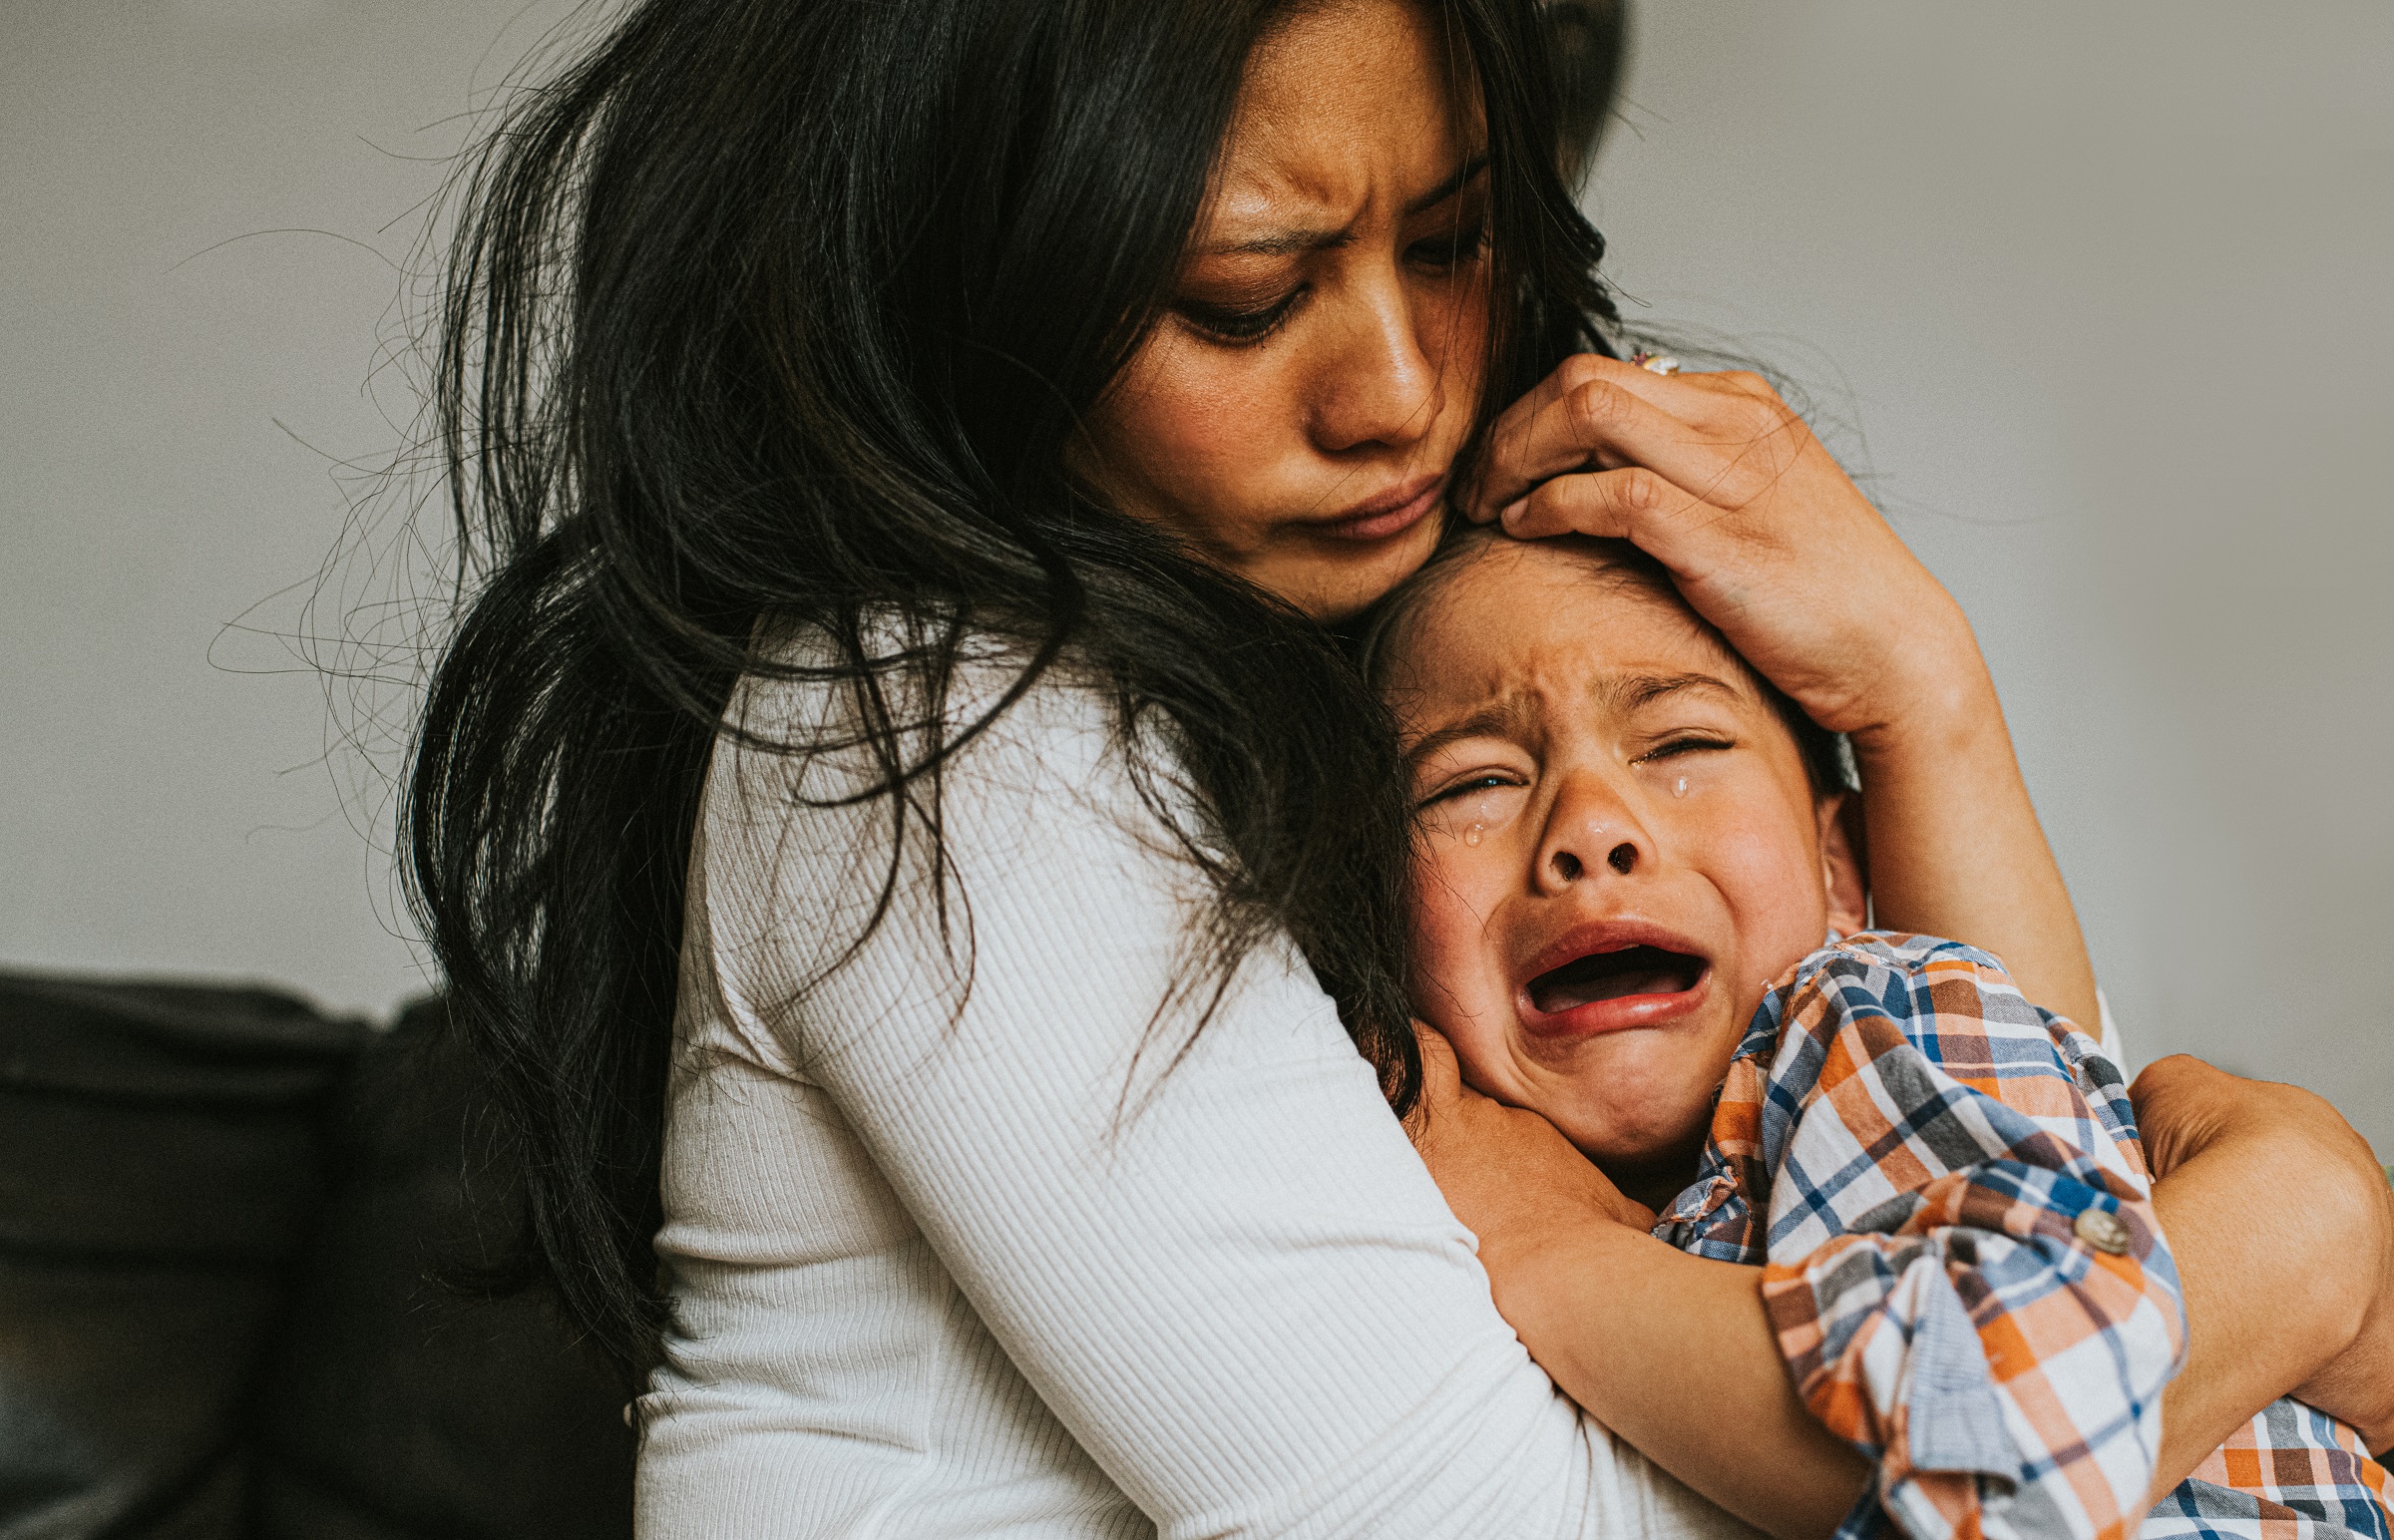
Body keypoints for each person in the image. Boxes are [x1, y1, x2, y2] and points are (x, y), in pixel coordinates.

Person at [399, 0, 2394, 1533]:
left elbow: (2002, 1183)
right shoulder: (925, 718)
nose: (1406, 392)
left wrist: (1920, 692)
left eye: (1450, 241)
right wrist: (2289, 1250)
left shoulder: (1375, 664)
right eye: (1245, 297)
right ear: (982, 309)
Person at [1366, 530, 2394, 1540]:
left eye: (1682, 744)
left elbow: (2015, 1436)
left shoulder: (1872, 1007)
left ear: (1840, 868)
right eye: (1473, 783)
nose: (1592, 826)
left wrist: (1552, 1248)